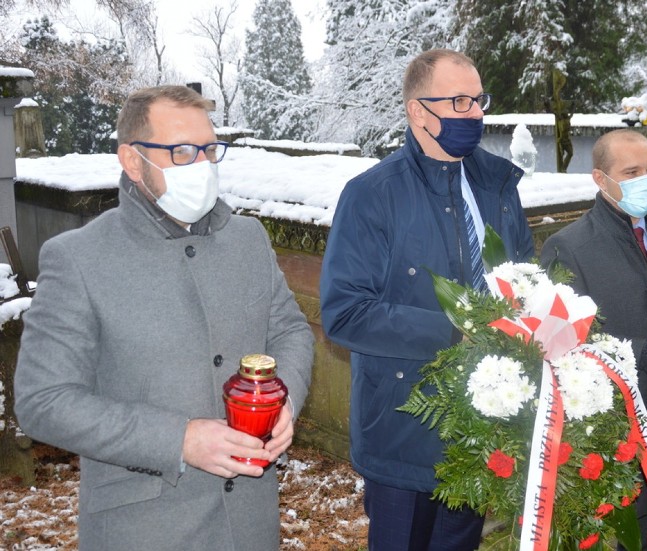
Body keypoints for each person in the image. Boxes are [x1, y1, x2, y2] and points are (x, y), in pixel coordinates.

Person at [14, 85, 314, 550]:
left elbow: (290, 330)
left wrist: (284, 398)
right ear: (133, 161)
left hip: (250, 524)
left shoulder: (248, 239)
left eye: (210, 150)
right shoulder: (78, 258)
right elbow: (43, 401)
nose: (202, 166)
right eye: (181, 152)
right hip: (145, 529)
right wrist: (178, 439)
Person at [320, 49, 534, 550]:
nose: (475, 113)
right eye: (459, 101)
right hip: (403, 428)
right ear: (419, 111)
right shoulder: (372, 194)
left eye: (478, 99)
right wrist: (454, 329)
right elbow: (345, 313)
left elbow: (526, 279)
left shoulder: (499, 185)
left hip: (482, 424)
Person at [539, 128, 647, 550]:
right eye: (631, 172)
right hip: (603, 432)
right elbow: (562, 345)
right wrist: (639, 354)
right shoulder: (568, 246)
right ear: (600, 178)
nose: (645, 182)